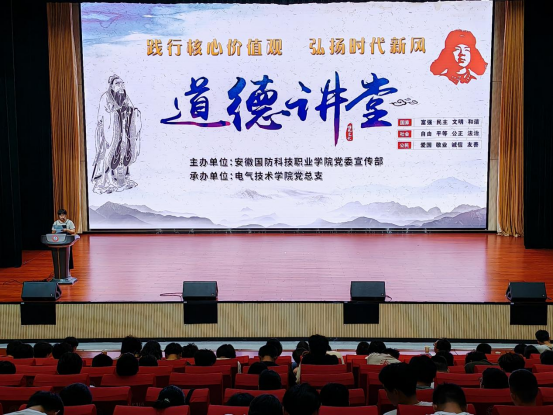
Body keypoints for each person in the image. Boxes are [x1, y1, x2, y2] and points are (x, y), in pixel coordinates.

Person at [92, 74, 142, 194]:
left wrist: (131, 112)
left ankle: (120, 181)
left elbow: (131, 110)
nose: (121, 86)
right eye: (118, 84)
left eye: (122, 83)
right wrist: (116, 113)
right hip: (107, 133)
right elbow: (104, 116)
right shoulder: (106, 97)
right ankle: (102, 183)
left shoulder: (125, 97)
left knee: (123, 153)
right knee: (106, 156)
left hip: (122, 132)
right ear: (111, 86)